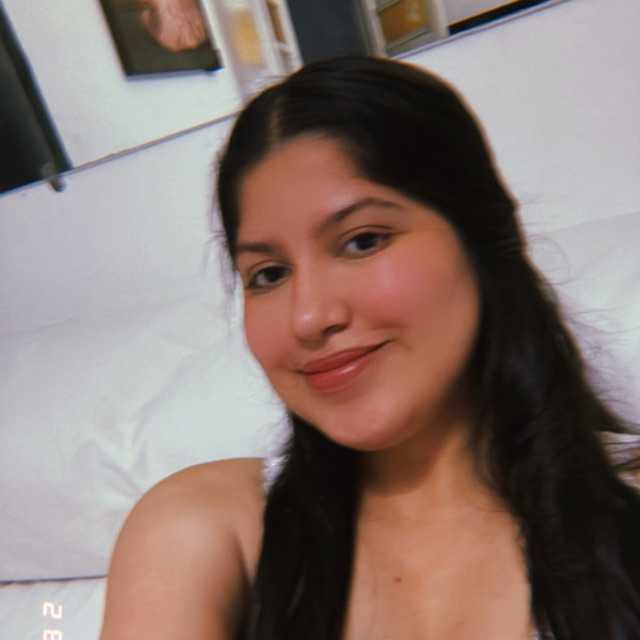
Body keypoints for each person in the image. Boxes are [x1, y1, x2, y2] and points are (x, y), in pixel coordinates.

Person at [99, 56, 640, 640]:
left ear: (484, 238)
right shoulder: (207, 529)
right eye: (269, 275)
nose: (310, 316)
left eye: (362, 241)